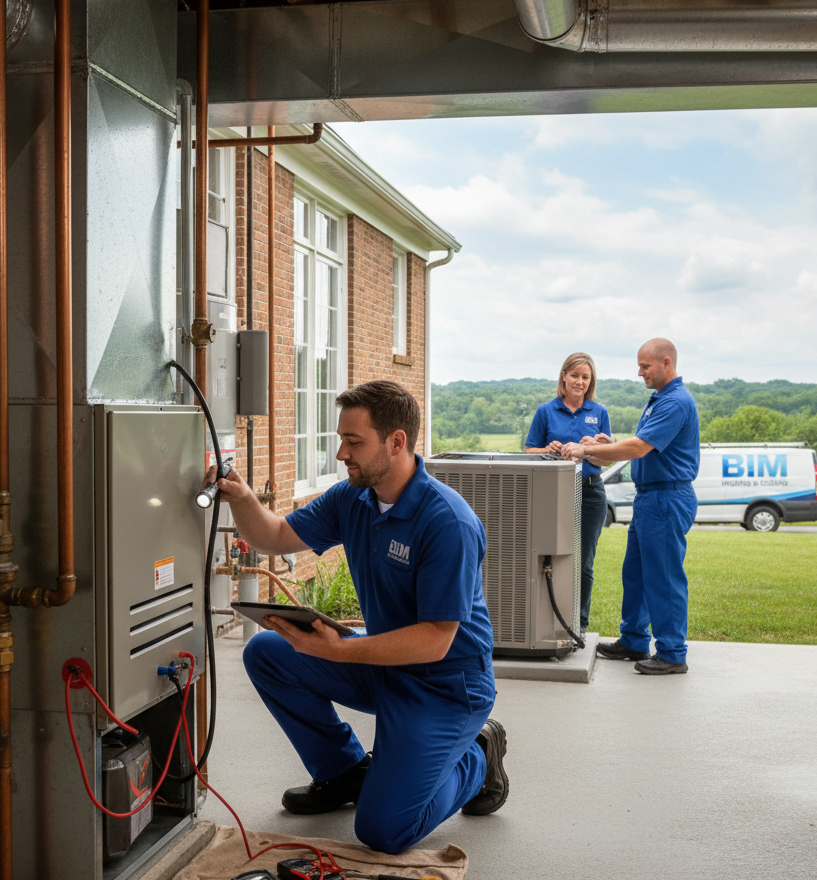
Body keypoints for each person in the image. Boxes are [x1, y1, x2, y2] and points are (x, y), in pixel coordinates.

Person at [210, 380, 508, 854]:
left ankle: (477, 758)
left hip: (444, 685)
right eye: (340, 440)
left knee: (384, 832)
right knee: (268, 652)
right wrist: (243, 497)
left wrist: (341, 649)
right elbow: (277, 535)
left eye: (354, 442)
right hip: (383, 663)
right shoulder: (354, 497)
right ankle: (345, 772)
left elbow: (435, 640)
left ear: (396, 442)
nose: (340, 454)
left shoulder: (447, 522)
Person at [578, 339, 700, 675]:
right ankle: (633, 639)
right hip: (650, 498)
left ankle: (673, 653)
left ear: (666, 363)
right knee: (636, 572)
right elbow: (638, 445)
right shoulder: (660, 399)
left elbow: (640, 448)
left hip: (666, 498)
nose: (640, 372)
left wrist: (585, 451)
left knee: (663, 576)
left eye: (645, 366)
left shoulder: (675, 402)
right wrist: (606, 444)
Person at [525, 352, 612, 637]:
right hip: (552, 495)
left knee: (584, 562)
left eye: (585, 377)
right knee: (549, 557)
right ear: (564, 376)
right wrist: (546, 450)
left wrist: (598, 448)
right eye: (574, 375)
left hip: (590, 494)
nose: (579, 382)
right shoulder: (545, 411)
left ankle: (580, 624)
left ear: (591, 381)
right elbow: (529, 451)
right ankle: (548, 622)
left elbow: (606, 460)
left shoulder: (599, 413)